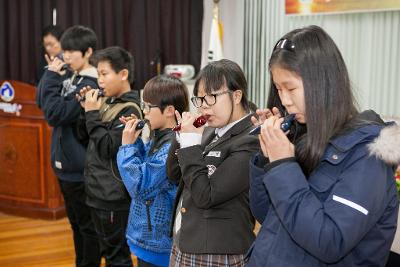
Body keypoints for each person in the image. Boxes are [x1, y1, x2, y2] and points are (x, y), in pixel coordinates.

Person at [246, 25, 400, 267]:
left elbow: (330, 241)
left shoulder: (368, 156)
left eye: (291, 88)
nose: (284, 100)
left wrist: (283, 166)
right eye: (278, 89)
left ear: (322, 83)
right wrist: (268, 158)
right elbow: (265, 214)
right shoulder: (304, 137)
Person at [167, 59, 259, 266]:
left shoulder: (251, 139)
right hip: (186, 239)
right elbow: (173, 175)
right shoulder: (209, 130)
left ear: (237, 96)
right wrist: (181, 136)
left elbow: (206, 196)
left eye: (212, 97)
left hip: (218, 251)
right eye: (200, 99)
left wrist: (191, 145)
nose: (204, 106)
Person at [36, 25, 101, 267]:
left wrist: (53, 77)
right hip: (65, 167)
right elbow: (40, 101)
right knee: (76, 225)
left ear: (88, 52)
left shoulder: (91, 84)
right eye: (65, 51)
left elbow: (55, 114)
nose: (66, 56)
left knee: (88, 228)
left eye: (72, 51)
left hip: (81, 168)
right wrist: (51, 73)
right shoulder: (69, 75)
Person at [76, 46, 142, 267]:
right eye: (98, 74)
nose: (99, 80)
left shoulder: (130, 110)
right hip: (97, 191)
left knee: (117, 256)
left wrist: (92, 114)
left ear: (123, 74)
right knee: (106, 251)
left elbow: (107, 147)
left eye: (104, 74)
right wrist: (84, 109)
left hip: (112, 196)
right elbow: (83, 136)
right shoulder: (107, 102)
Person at [116, 75, 189, 267]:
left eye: (149, 107)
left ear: (170, 110)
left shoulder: (172, 148)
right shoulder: (161, 137)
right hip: (148, 239)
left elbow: (139, 186)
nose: (144, 112)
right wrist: (137, 141)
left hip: (159, 244)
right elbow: (145, 168)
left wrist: (127, 146)